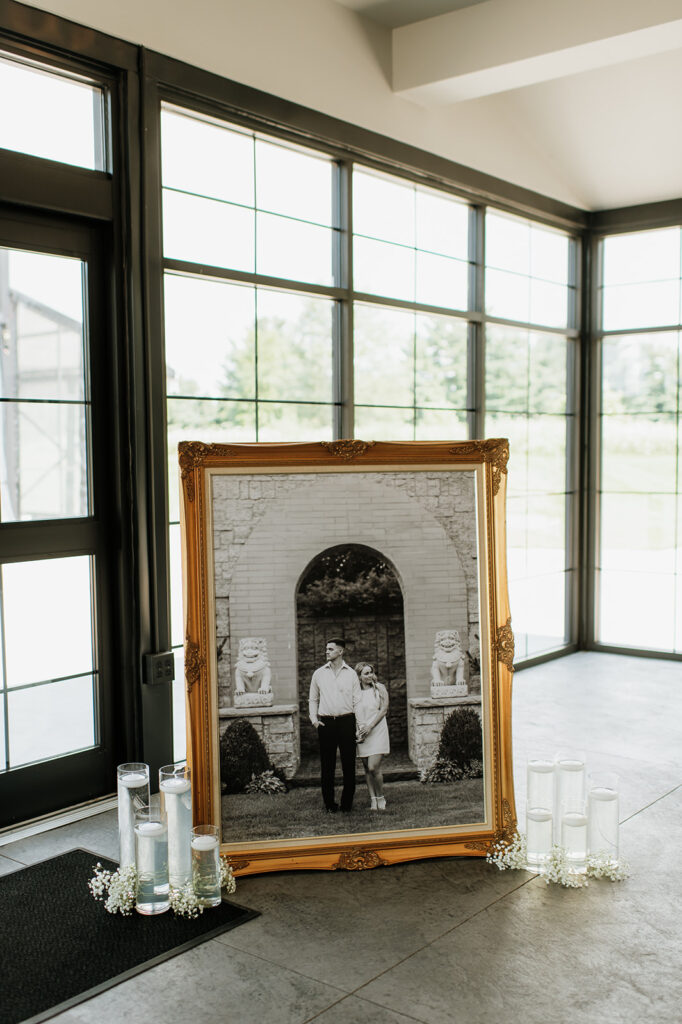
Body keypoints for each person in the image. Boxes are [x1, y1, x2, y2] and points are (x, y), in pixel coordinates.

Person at [309, 638, 362, 813]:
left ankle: (347, 804)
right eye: (326, 649)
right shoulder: (319, 674)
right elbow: (313, 699)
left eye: (330, 649)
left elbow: (357, 701)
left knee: (348, 764)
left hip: (347, 721)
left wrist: (359, 725)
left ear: (340, 651)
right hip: (326, 723)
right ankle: (329, 804)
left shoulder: (351, 674)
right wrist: (314, 720)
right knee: (327, 765)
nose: (327, 651)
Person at [354, 662, 390, 810]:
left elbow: (384, 710)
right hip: (362, 731)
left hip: (378, 729)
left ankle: (381, 796)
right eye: (366, 673)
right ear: (359, 676)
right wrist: (361, 730)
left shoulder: (379, 688)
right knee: (367, 769)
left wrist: (370, 727)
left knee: (373, 766)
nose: (369, 676)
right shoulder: (355, 692)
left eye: (371, 673)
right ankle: (373, 799)